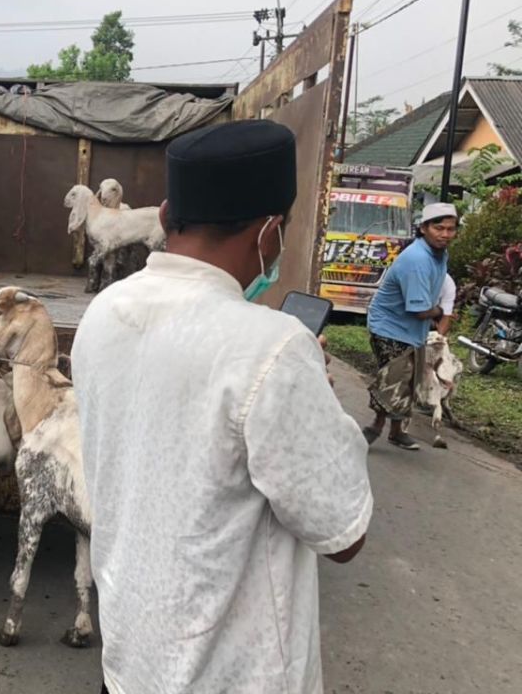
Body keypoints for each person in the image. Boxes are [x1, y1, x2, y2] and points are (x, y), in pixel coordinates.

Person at [73, 120, 372, 694]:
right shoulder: (275, 348)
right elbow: (342, 533)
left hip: (130, 661)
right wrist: (317, 401)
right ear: (268, 234)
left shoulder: (104, 313)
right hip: (231, 676)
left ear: (164, 217)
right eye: (283, 229)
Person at [364, 202, 458, 449]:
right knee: (395, 378)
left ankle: (395, 432)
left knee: (408, 380)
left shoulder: (439, 254)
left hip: (411, 331)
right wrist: (439, 311)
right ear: (424, 228)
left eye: (451, 229)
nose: (445, 234)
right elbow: (419, 311)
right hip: (390, 326)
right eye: (439, 228)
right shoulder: (417, 259)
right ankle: (375, 427)